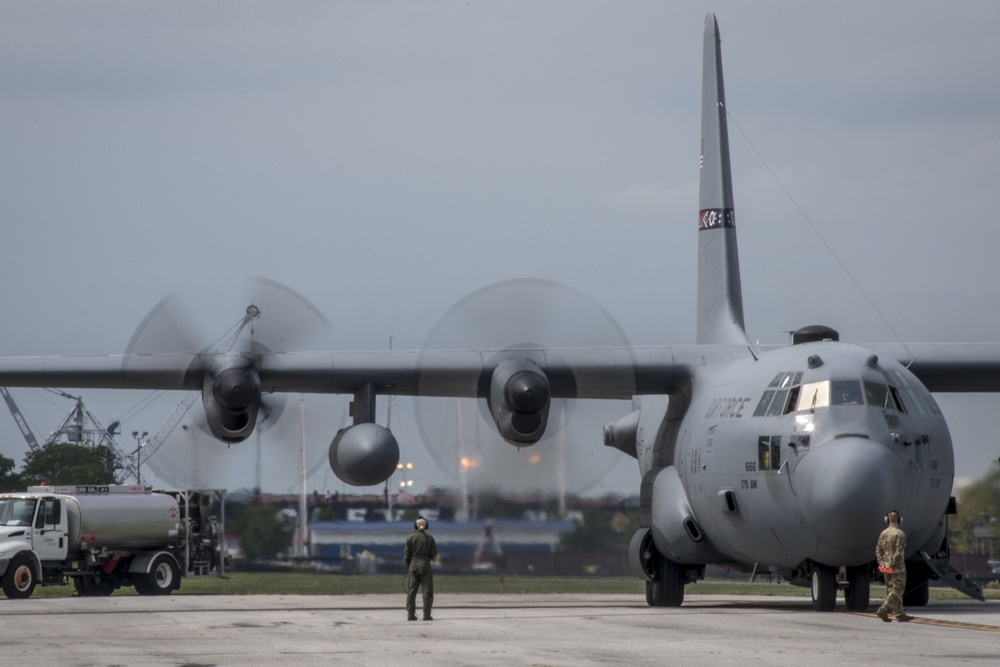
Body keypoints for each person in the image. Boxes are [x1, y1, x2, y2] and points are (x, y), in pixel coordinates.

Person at [875, 510, 912, 622]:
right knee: (898, 589)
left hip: (885, 566)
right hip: (897, 567)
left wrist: (882, 563)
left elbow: (878, 550)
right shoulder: (899, 534)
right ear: (899, 520)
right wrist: (893, 564)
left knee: (891, 589)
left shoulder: (883, 533)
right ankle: (884, 608)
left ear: (887, 520)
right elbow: (899, 552)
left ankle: (899, 614)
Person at [404, 516, 438, 621]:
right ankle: (426, 615)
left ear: (415, 526)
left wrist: (409, 567)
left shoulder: (410, 538)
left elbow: (406, 556)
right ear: (426, 526)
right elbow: (433, 553)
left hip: (413, 565)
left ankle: (410, 614)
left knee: (411, 590)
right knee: (427, 590)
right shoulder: (430, 538)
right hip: (425, 565)